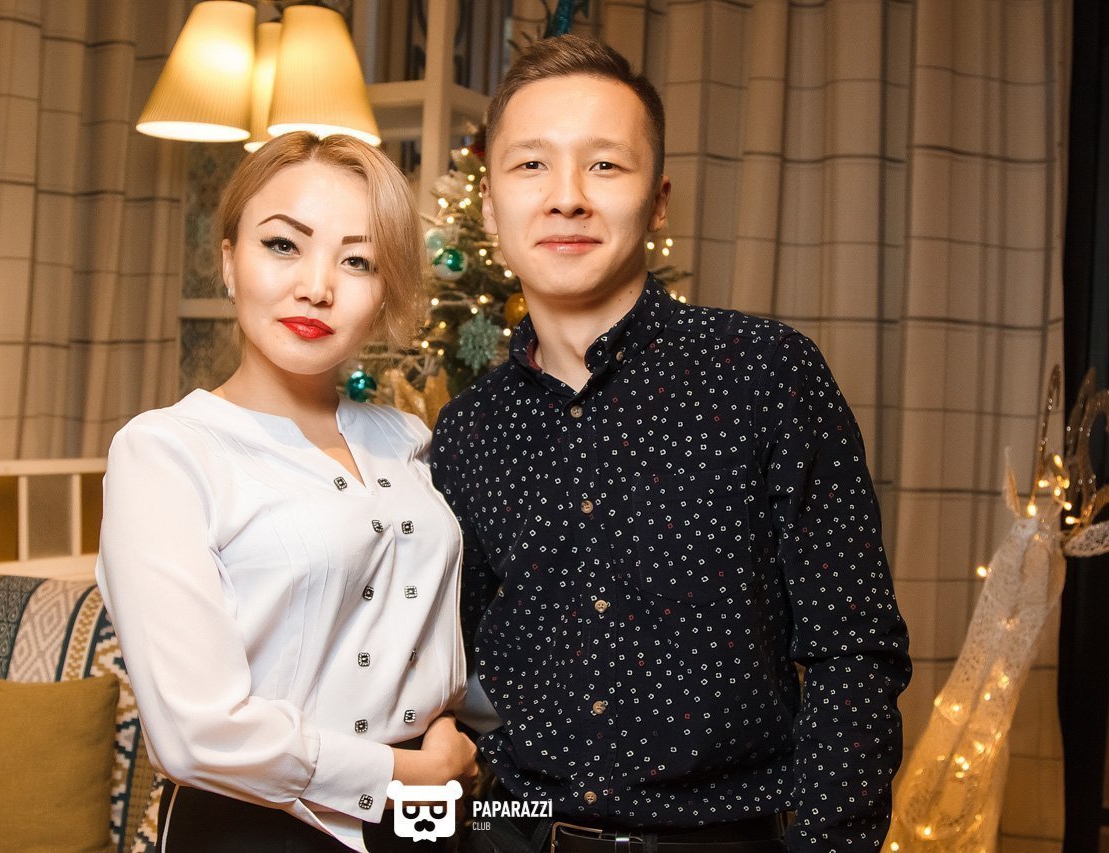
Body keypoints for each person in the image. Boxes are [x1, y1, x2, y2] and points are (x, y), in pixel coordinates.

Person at [431, 36, 912, 853]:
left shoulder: (766, 375)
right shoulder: (469, 429)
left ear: (658, 202)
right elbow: (436, 670)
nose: (567, 198)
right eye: (531, 165)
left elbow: (853, 649)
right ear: (488, 206)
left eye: (604, 165)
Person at [97, 131, 476, 853]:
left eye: (357, 260)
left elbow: (431, 627)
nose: (317, 287)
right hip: (258, 827)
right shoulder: (166, 452)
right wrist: (404, 772)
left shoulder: (407, 438)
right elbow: (196, 732)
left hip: (425, 821)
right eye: (282, 245)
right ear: (228, 261)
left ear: (385, 290)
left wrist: (449, 733)